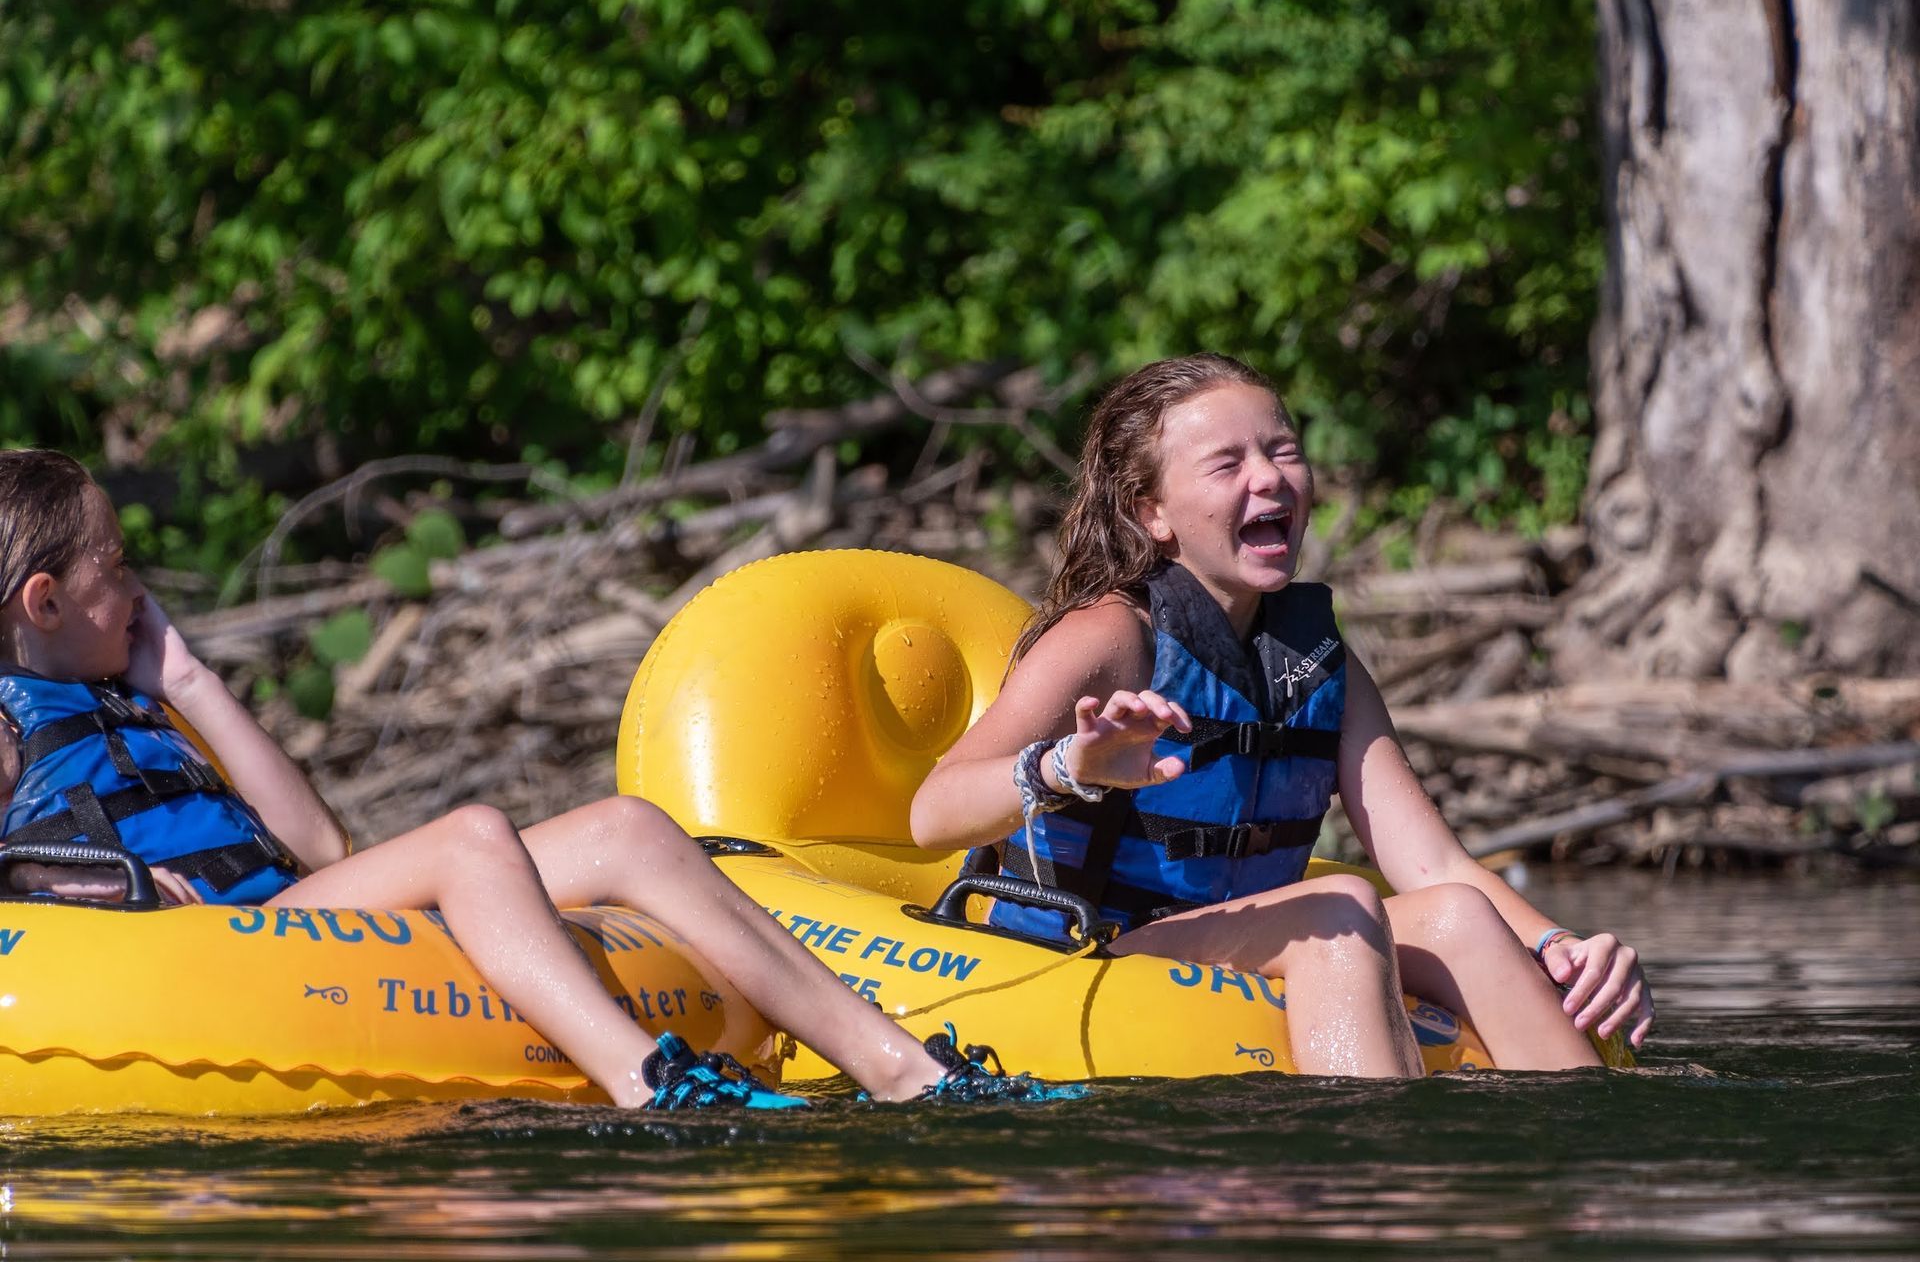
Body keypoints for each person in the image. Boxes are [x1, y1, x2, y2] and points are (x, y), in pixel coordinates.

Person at [0, 448, 1074, 1109]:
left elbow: (322, 851)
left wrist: (191, 679)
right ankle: (644, 1078)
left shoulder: (141, 695)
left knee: (630, 828)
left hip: (281, 921)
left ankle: (902, 1067)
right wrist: (82, 884)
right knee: (473, 833)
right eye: (118, 567)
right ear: (44, 601)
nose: (140, 592)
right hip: (188, 948)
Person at [911, 354, 1654, 1076]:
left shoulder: (1316, 662)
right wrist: (1069, 766)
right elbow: (933, 813)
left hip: (1238, 940)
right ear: (1152, 513)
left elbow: (1434, 865)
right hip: (1096, 951)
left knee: (1458, 913)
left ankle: (1584, 1138)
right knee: (1339, 905)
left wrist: (1560, 947)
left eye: (1283, 451)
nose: (1269, 476)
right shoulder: (1109, 637)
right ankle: (1377, 1148)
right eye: (1227, 463)